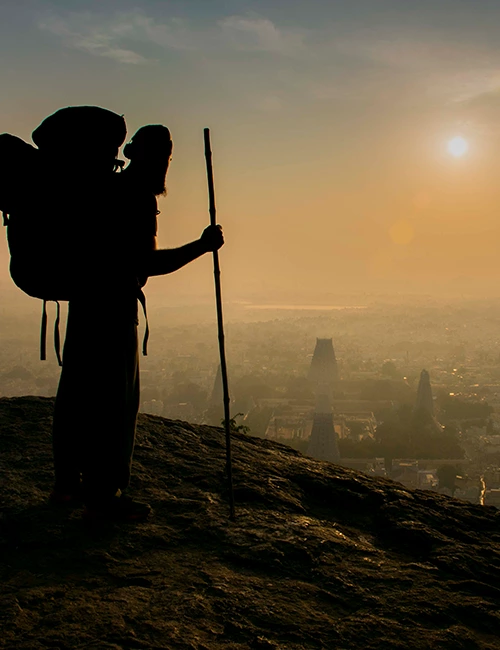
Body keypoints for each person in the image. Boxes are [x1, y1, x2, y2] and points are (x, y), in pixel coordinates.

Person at [50, 123, 224, 521]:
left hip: (85, 303)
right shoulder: (136, 198)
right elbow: (146, 263)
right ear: (141, 156)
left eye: (166, 157)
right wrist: (202, 246)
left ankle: (66, 485)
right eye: (161, 157)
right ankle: (103, 495)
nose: (164, 166)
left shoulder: (104, 189)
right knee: (115, 403)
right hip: (113, 309)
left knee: (76, 394)